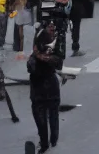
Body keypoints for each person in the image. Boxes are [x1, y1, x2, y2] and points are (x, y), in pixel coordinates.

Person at [28, 21, 63, 152]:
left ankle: (45, 144)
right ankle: (53, 141)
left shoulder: (34, 58)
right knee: (53, 114)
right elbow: (59, 63)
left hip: (39, 88)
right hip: (51, 85)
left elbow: (31, 68)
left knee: (41, 116)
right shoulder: (53, 52)